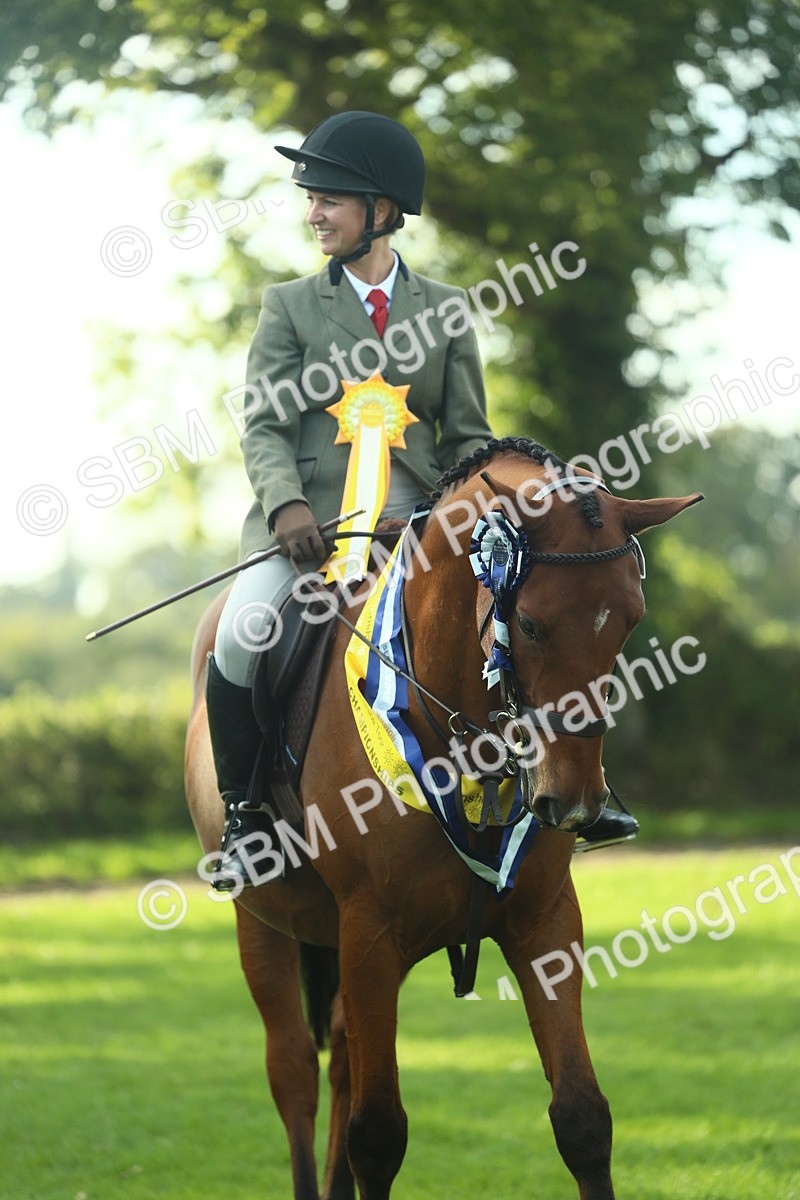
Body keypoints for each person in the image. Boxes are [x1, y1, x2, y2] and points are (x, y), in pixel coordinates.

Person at [206, 110, 638, 891]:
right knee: (240, 634)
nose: (313, 214)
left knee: (540, 618)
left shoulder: (445, 308)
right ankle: (245, 815)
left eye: (328, 199)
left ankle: (577, 787)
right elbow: (265, 425)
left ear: (380, 209)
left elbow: (469, 439)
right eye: (310, 200)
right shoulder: (289, 306)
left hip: (423, 530)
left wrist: (450, 515)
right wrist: (285, 507)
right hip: (309, 530)